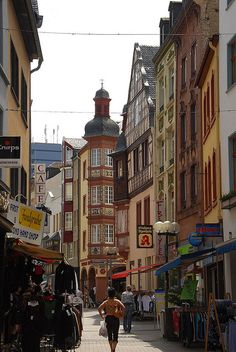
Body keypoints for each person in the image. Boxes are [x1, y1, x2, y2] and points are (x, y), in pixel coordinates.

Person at [98, 287, 125, 352]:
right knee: (115, 334)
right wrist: (122, 315)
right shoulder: (117, 301)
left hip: (108, 318)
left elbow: (99, 308)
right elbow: (123, 307)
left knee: (110, 334)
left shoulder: (106, 302)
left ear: (108, 294)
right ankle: (113, 349)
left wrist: (102, 316)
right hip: (115, 318)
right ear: (114, 294)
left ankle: (111, 349)